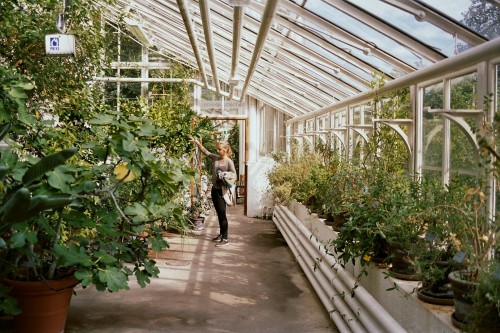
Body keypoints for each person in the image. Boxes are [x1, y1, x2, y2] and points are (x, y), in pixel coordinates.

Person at [189, 136, 237, 247]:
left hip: (222, 191)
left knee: (222, 214)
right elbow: (205, 151)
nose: (218, 151)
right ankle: (221, 234)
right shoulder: (215, 158)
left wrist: (225, 176)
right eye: (218, 149)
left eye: (220, 149)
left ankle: (225, 238)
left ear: (225, 150)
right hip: (214, 190)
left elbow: (234, 175)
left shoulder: (228, 162)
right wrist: (197, 142)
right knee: (218, 214)